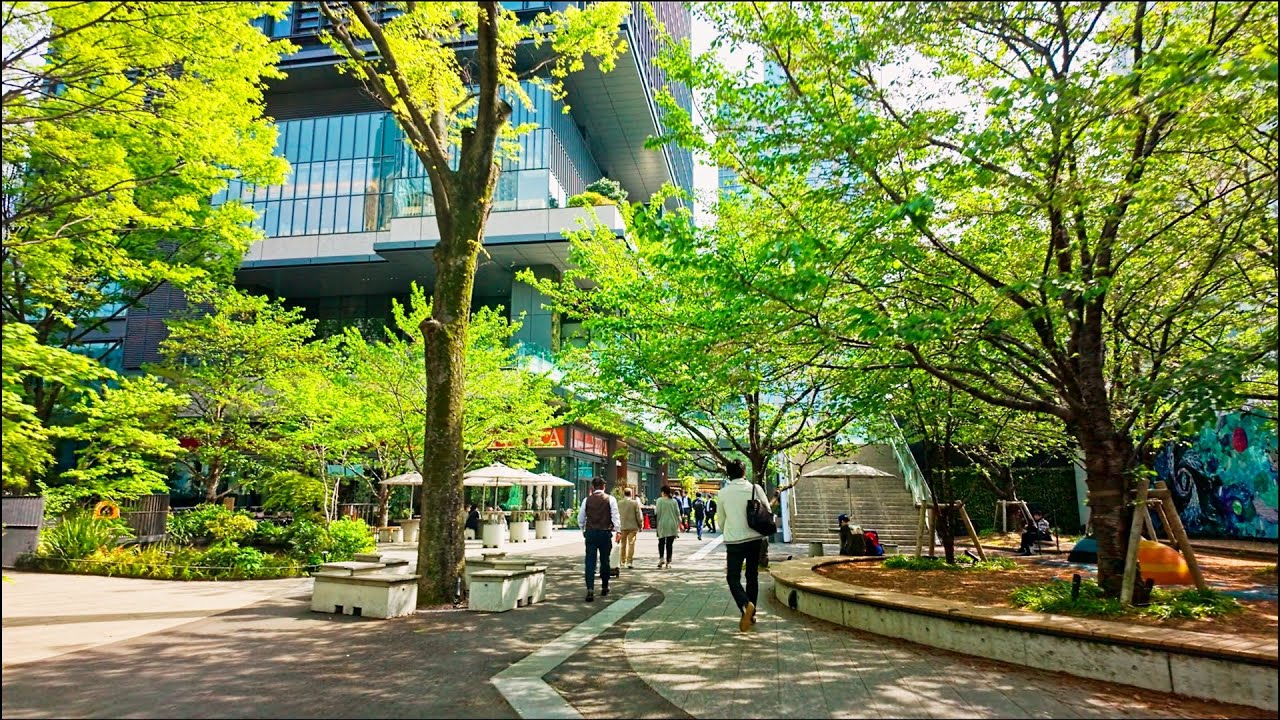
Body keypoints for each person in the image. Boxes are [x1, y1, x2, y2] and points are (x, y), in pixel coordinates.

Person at [718, 459, 767, 632]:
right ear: (744, 472)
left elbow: (721, 521)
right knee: (752, 575)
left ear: (728, 474)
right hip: (754, 539)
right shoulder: (755, 488)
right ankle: (752, 614)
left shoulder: (723, 493)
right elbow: (767, 510)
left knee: (733, 577)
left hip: (734, 541)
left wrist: (728, 530)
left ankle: (746, 605)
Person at [578, 477, 620, 602]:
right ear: (604, 487)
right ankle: (605, 586)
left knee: (590, 561)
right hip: (604, 532)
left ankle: (590, 589)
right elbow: (615, 515)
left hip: (591, 532)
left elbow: (581, 518)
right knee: (604, 560)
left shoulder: (587, 500)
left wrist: (583, 530)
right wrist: (618, 530)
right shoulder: (610, 499)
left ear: (592, 487)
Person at [617, 487, 644, 569]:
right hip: (633, 526)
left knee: (623, 544)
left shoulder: (619, 503)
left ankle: (622, 561)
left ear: (624, 494)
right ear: (631, 494)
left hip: (623, 526)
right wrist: (640, 525)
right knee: (631, 544)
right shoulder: (635, 503)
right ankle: (629, 562)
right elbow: (638, 515)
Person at [654, 485, 680, 568]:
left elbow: (656, 512)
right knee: (669, 544)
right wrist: (678, 525)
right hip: (672, 524)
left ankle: (661, 558)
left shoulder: (659, 500)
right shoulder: (674, 501)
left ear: (663, 492)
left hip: (662, 523)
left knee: (661, 542)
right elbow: (677, 514)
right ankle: (668, 562)